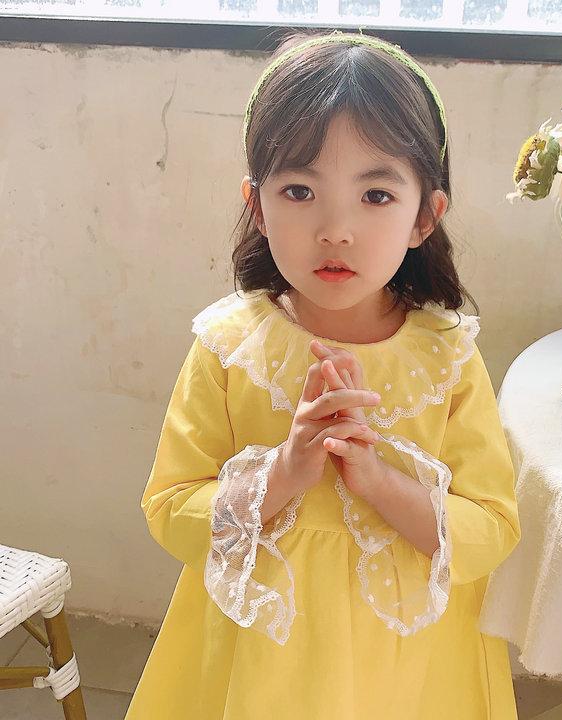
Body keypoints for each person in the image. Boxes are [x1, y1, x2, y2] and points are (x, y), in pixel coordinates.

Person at [125, 29, 521, 720]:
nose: (336, 229)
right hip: (262, 663)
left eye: (376, 195)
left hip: (406, 671)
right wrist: (285, 472)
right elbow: (171, 509)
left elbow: (491, 528)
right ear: (257, 204)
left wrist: (378, 482)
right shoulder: (230, 346)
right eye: (300, 190)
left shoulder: (448, 357)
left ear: (426, 216)